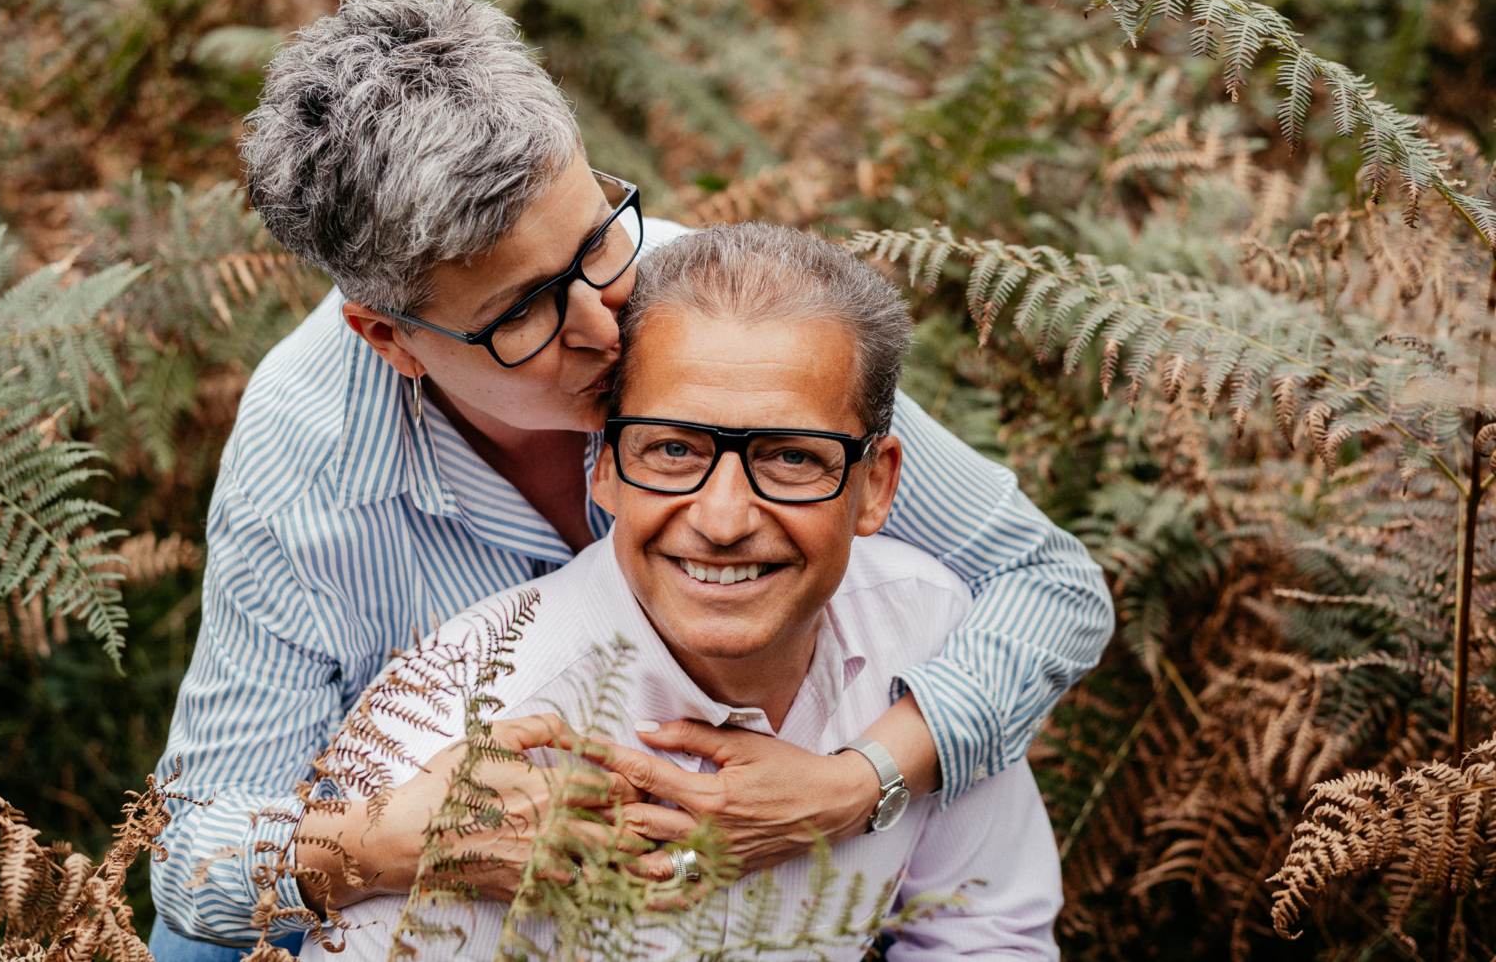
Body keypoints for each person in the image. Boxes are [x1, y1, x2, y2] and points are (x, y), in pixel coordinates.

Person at [148, 0, 1110, 958]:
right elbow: (191, 854)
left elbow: (1049, 584)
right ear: (390, 337)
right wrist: (394, 841)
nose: (608, 322)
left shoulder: (718, 315)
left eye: (600, 236)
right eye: (524, 311)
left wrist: (856, 784)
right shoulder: (305, 456)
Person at [308, 223, 1063, 961]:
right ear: (603, 464)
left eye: (791, 457)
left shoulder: (931, 627)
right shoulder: (455, 746)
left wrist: (865, 782)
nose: (725, 520)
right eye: (673, 449)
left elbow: (987, 932)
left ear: (877, 486)